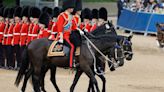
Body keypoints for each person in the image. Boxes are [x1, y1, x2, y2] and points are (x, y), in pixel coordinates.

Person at [56, 0, 76, 68]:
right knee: (71, 47)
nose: (73, 9)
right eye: (72, 8)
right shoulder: (62, 16)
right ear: (68, 7)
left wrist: (80, 30)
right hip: (64, 36)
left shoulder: (71, 16)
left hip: (70, 35)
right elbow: (59, 27)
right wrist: (61, 37)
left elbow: (74, 27)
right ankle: (71, 63)